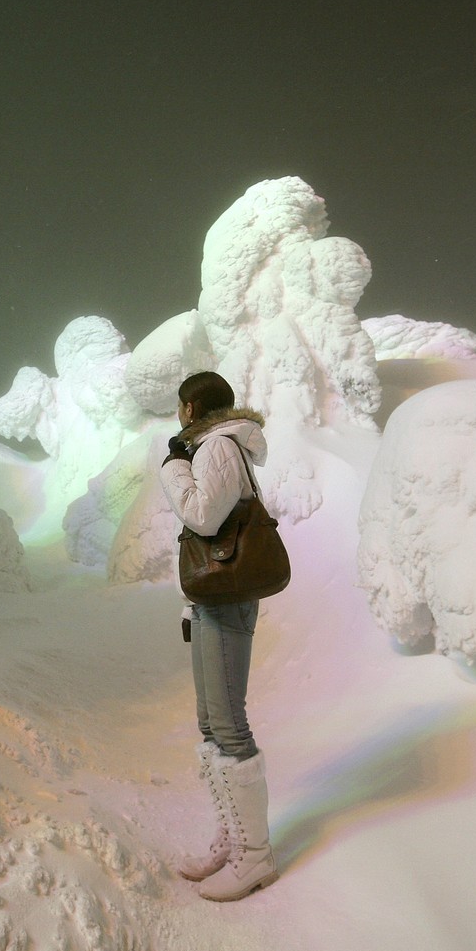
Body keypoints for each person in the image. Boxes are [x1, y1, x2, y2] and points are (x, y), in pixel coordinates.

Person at [158, 370, 279, 901]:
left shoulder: (217, 448)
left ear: (191, 408)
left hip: (228, 600)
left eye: (181, 407)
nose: (178, 415)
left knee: (229, 726)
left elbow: (204, 519)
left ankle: (255, 858)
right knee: (211, 723)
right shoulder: (216, 447)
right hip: (213, 599)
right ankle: (232, 840)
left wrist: (174, 469)